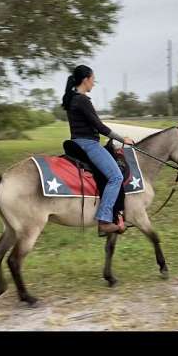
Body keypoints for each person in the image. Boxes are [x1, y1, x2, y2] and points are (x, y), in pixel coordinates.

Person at [61, 65, 135, 236]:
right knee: (116, 176)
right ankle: (104, 220)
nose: (93, 83)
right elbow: (99, 126)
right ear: (86, 79)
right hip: (89, 144)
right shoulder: (82, 100)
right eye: (93, 80)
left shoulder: (73, 99)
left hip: (78, 142)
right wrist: (122, 139)